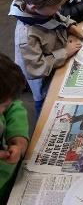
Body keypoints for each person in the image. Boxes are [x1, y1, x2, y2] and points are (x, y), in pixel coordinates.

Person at [9, 0, 83, 115]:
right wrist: (64, 52)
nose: (59, 8)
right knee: (45, 110)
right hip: (44, 83)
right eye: (55, 6)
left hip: (58, 61)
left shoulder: (43, 9)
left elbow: (58, 17)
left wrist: (71, 26)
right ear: (34, 7)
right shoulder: (26, 36)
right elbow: (37, 68)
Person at [0, 53, 29, 203]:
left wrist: (18, 136)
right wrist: (4, 164)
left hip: (13, 184)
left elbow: (13, 104)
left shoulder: (3, 94)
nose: (6, 107)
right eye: (3, 106)